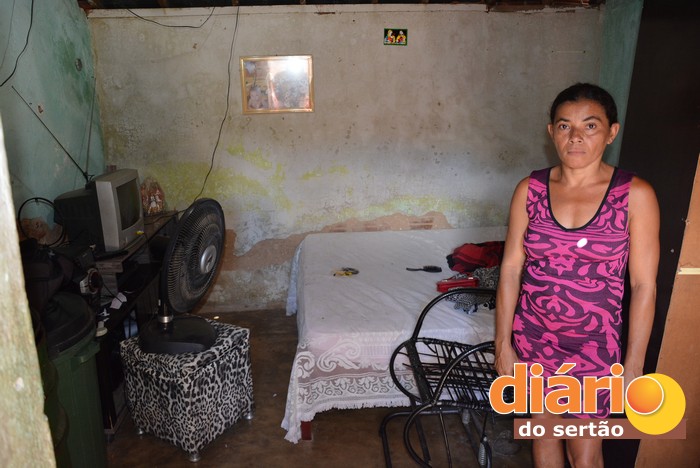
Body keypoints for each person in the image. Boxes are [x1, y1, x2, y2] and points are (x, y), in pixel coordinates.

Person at [494, 83, 660, 467]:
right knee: (543, 437)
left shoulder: (634, 195)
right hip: (533, 339)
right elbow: (511, 269)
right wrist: (502, 343)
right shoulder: (530, 190)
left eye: (590, 126)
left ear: (611, 132)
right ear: (551, 132)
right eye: (565, 126)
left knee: (584, 454)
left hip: (595, 349)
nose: (576, 137)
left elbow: (643, 286)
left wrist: (633, 365)